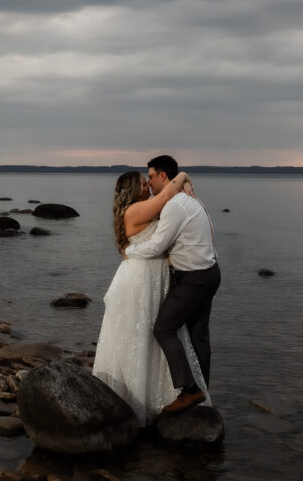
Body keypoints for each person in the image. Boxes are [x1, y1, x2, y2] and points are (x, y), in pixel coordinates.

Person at [92, 168, 209, 425]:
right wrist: (184, 176)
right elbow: (167, 194)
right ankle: (141, 399)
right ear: (133, 190)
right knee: (142, 333)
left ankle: (163, 393)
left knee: (153, 334)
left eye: (148, 182)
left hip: (153, 275)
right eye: (143, 184)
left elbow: (169, 203)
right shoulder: (134, 210)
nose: (148, 186)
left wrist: (182, 186)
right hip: (140, 278)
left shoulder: (142, 208)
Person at [124, 154, 220, 413]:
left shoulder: (175, 205)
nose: (149, 182)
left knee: (163, 330)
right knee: (199, 336)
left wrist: (129, 252)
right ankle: (202, 392)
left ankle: (190, 390)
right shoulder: (190, 198)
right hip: (210, 272)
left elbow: (158, 245)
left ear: (163, 176)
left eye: (151, 176)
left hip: (194, 278)